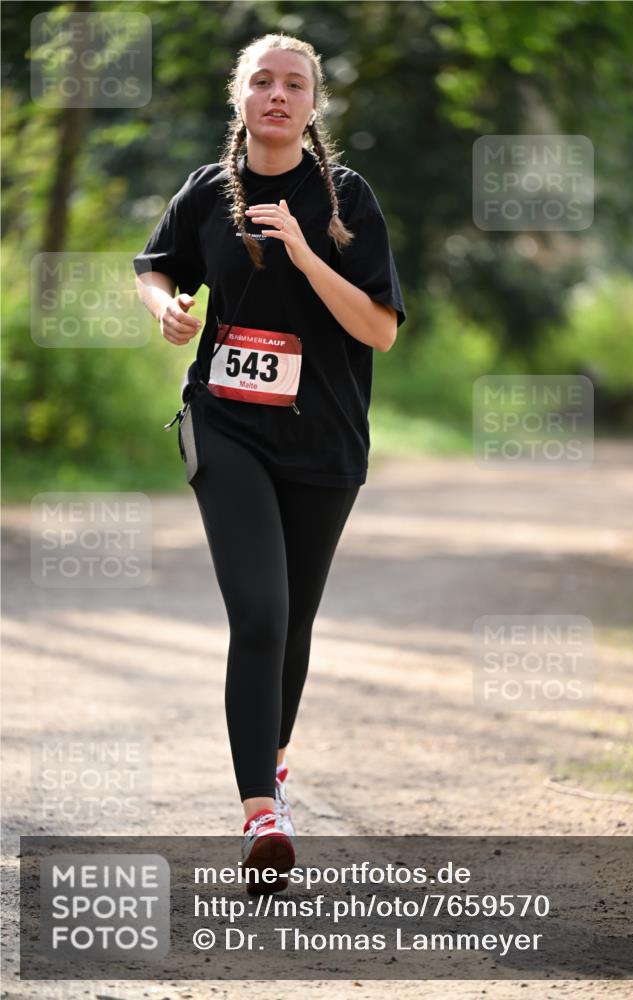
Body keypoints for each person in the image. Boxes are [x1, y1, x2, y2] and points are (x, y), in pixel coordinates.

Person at [134, 32, 406, 891]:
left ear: (313, 104)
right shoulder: (207, 191)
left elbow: (379, 330)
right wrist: (164, 307)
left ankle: (271, 761)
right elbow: (154, 267)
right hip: (227, 428)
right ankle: (261, 815)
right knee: (258, 613)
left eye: (294, 83)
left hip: (324, 438)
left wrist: (303, 250)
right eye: (262, 81)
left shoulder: (346, 198)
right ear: (239, 97)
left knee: (293, 624)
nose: (278, 94)